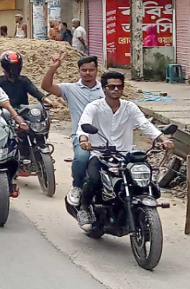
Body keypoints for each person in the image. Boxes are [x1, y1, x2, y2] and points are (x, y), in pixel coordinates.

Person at [75, 72, 174, 230]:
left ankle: (141, 213)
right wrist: (84, 140)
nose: (116, 89)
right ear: (104, 88)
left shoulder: (130, 107)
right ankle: (84, 209)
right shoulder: (94, 107)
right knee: (94, 179)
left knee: (147, 178)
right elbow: (83, 125)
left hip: (126, 155)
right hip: (100, 154)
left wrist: (163, 139)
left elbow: (144, 124)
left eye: (119, 86)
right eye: (111, 86)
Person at [41, 54, 104, 207]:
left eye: (91, 70)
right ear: (79, 71)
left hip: (105, 137)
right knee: (81, 158)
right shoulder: (70, 89)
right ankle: (76, 186)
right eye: (84, 70)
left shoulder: (105, 89)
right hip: (82, 136)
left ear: (97, 70)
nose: (87, 73)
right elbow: (46, 87)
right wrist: (52, 69)